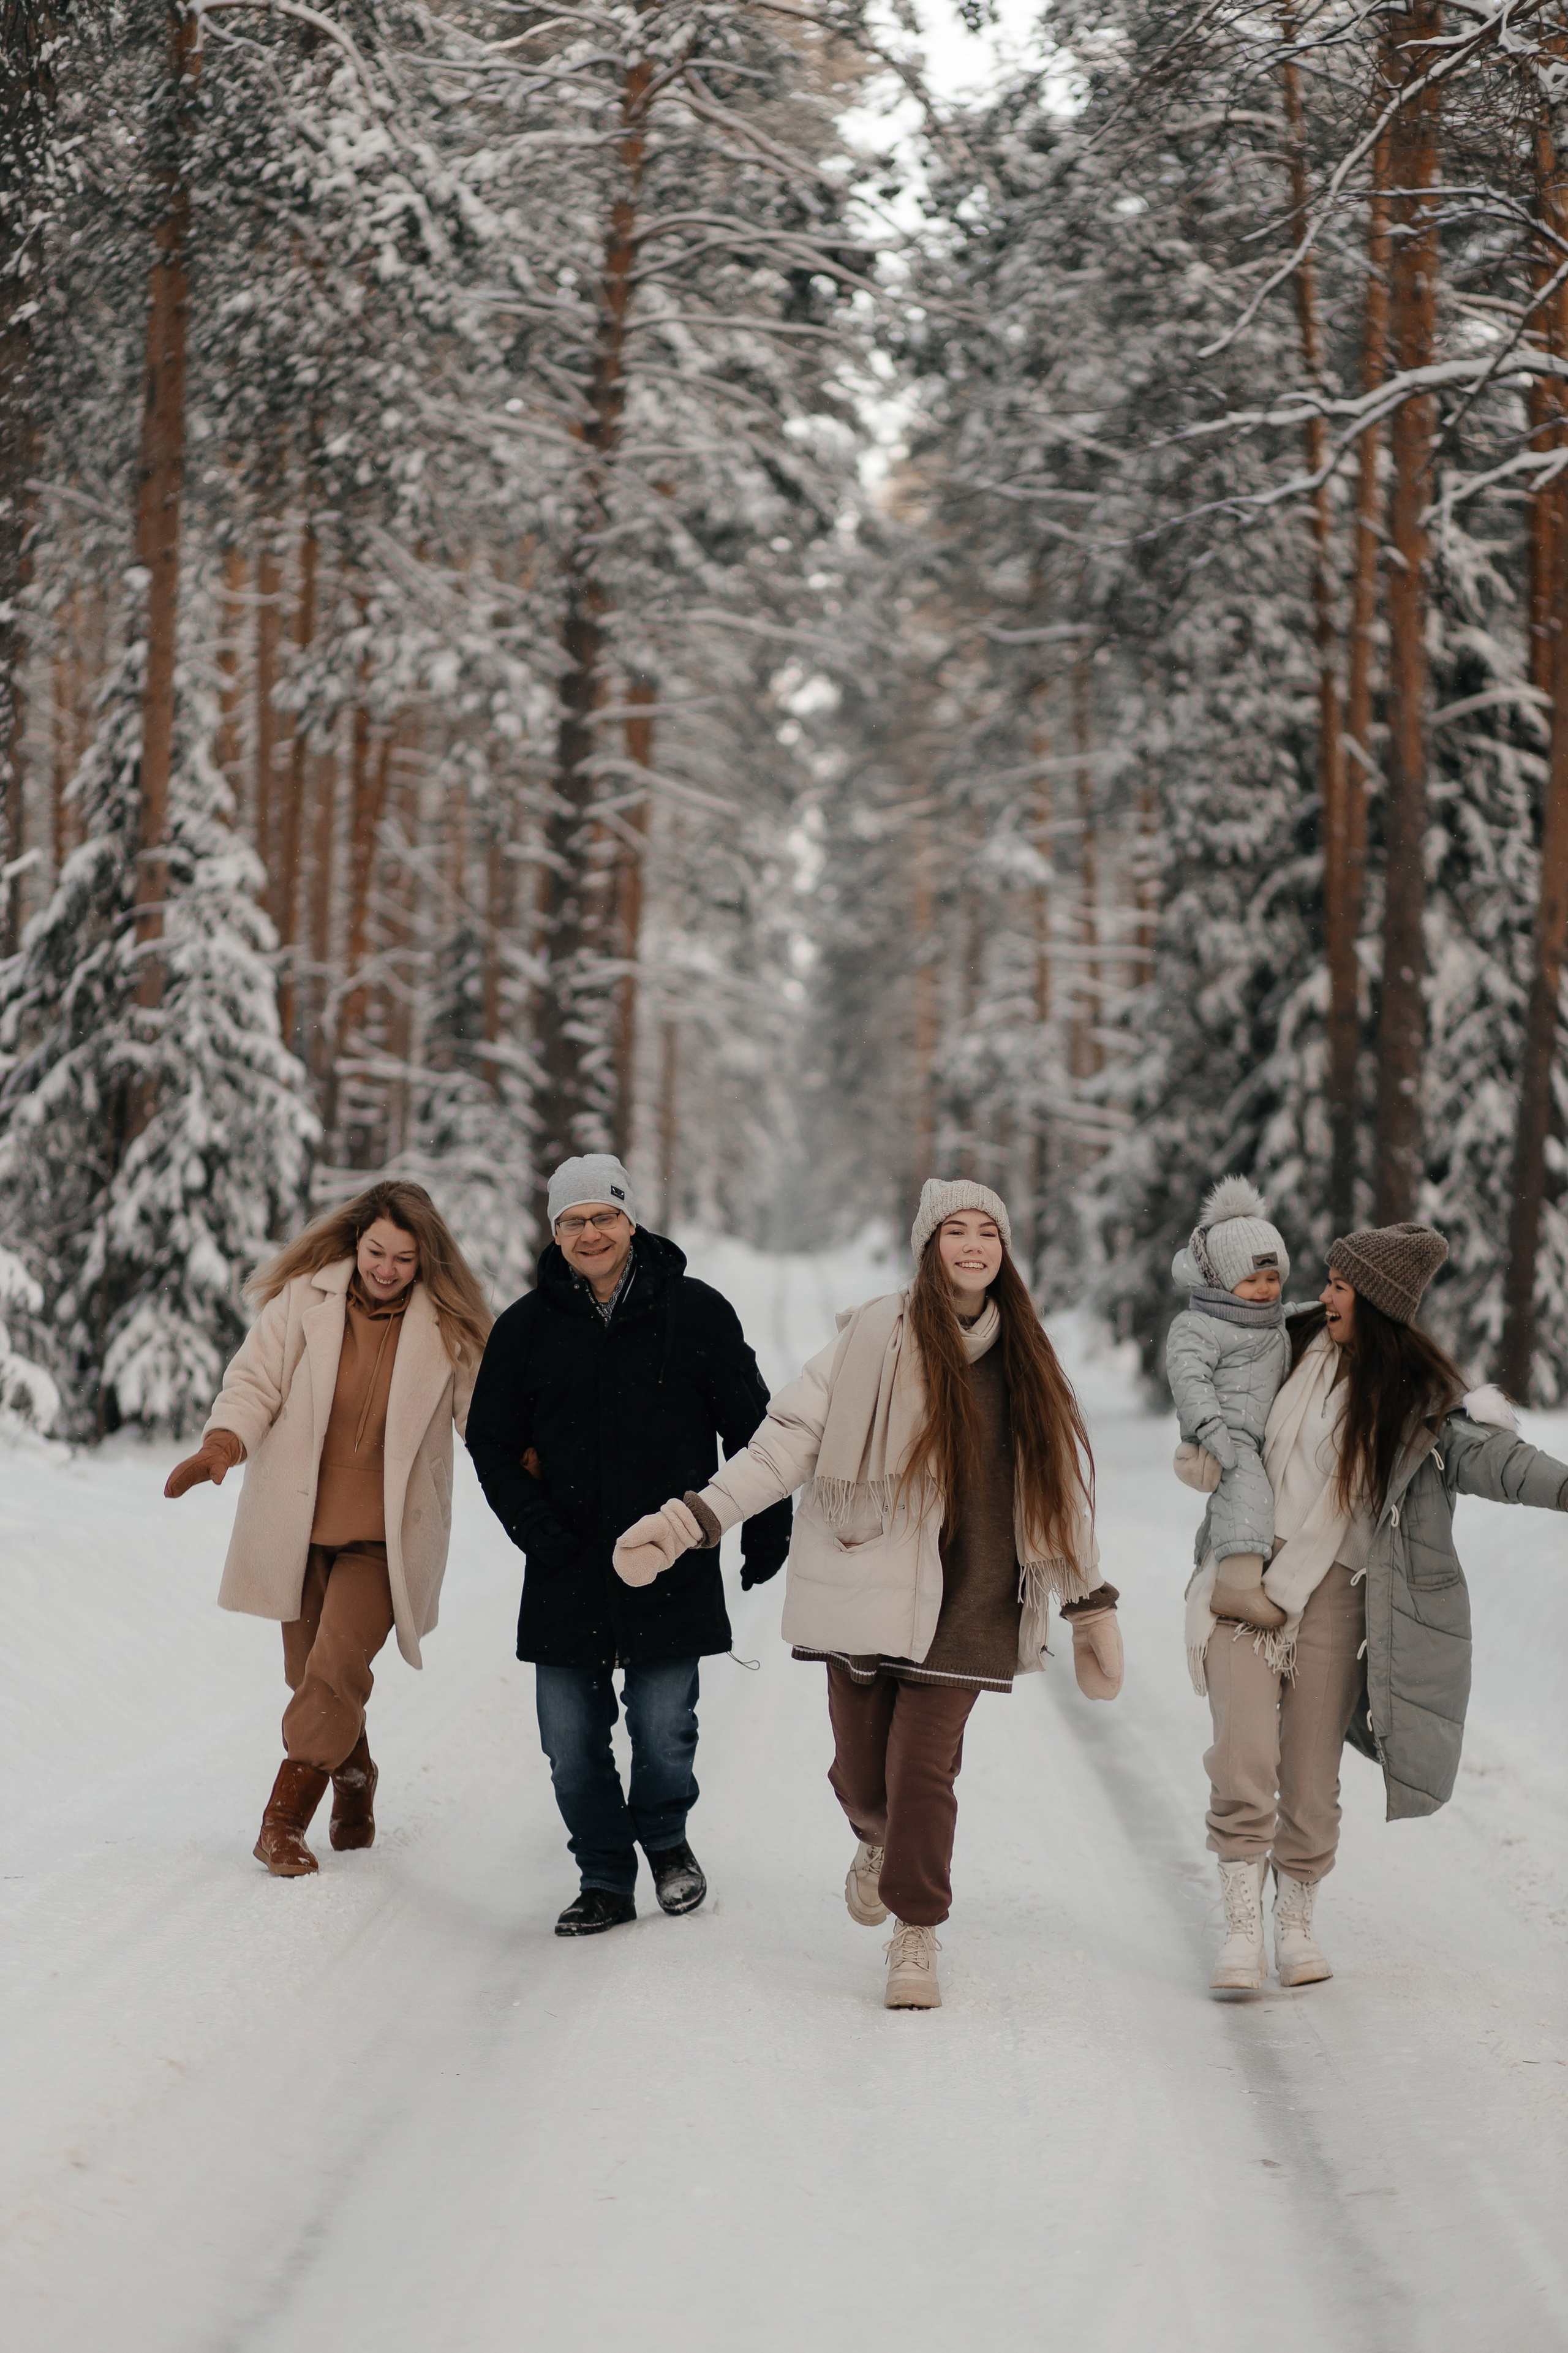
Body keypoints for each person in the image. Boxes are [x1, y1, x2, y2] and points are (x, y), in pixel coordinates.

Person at [613, 1178, 1123, 2012]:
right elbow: (784, 1445)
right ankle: (875, 1840)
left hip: (975, 1596)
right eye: (954, 1230)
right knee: (861, 1777)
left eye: (987, 1231)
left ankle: (915, 1932)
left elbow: (1059, 1487)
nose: (972, 1246)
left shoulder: (1027, 1353)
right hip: (868, 1580)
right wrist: (690, 1520)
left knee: (923, 1769)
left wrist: (1089, 1600)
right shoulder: (869, 1338)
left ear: (1003, 1250)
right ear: (928, 1246)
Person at [1183, 1220, 1568, 1993]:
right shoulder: (1276, 1349)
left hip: (1336, 1599)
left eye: (1340, 1286)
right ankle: (1238, 1929)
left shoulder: (1419, 1405)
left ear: (1378, 1303)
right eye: (1326, 1280)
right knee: (1244, 1755)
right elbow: (1204, 1372)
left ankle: (1292, 1922)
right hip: (1240, 1574)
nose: (1323, 1295)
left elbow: (1493, 1458)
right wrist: (1200, 1442)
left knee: (1311, 1775)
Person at [466, 1154, 791, 1938]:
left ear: (630, 1219)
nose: (589, 1232)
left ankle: (668, 1844)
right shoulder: (525, 1328)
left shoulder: (698, 1313)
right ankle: (604, 1876)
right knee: (570, 1743)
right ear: (554, 1232)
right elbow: (490, 1441)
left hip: (671, 1554)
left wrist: (767, 1523)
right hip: (564, 1561)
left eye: (603, 1216)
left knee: (664, 1727)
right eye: (572, 1221)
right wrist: (535, 1528)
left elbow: (755, 1429)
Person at [164, 1180, 491, 1875]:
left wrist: (531, 1464)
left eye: (404, 1259)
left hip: (386, 1540)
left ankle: (281, 1821)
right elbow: (255, 1382)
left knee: (336, 1671)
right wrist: (223, 1445)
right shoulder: (305, 1300)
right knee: (308, 1677)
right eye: (376, 1251)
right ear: (356, 1242)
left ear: (424, 1260)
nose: (386, 1268)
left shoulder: (448, 1327)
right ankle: (355, 1774)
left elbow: (484, 1421)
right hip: (300, 1525)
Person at [1166, 1177, 1294, 1632]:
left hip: (1261, 1432)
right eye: (1252, 1279)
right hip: (1228, 1432)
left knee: (1241, 1496)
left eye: (1272, 1277)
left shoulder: (1274, 1320)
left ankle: (1208, 1559)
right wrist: (1210, 1429)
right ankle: (1237, 1586)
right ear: (1220, 1279)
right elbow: (1188, 1376)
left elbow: (1294, 1320)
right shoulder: (1200, 1324)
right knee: (1246, 1487)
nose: (1264, 1289)